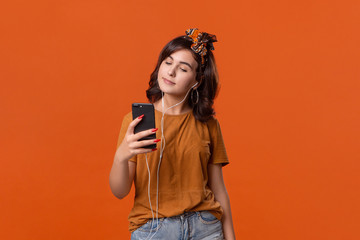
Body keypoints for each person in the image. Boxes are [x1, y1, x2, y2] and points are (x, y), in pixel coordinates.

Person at [109, 28, 236, 240]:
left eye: (183, 68)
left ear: (196, 80)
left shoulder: (208, 124)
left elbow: (219, 189)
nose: (170, 72)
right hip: (154, 231)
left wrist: (231, 238)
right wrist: (122, 155)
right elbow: (119, 191)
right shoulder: (135, 122)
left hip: (205, 228)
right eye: (167, 63)